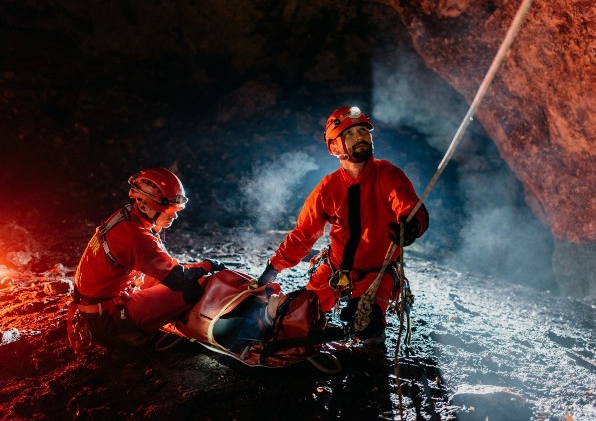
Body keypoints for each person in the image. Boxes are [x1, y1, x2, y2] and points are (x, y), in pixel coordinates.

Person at [256, 106, 429, 343]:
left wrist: (412, 225)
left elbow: (410, 207)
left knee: (367, 328)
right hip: (335, 271)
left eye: (363, 131)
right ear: (334, 147)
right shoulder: (328, 188)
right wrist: (273, 268)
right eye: (349, 133)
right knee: (297, 316)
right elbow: (304, 234)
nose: (360, 136)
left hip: (376, 274)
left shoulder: (387, 175)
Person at [68, 167, 226, 350]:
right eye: (168, 209)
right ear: (144, 205)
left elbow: (160, 266)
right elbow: (177, 278)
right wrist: (207, 265)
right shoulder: (135, 237)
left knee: (162, 278)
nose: (174, 215)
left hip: (98, 302)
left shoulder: (128, 216)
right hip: (107, 317)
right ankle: (128, 334)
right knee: (192, 287)